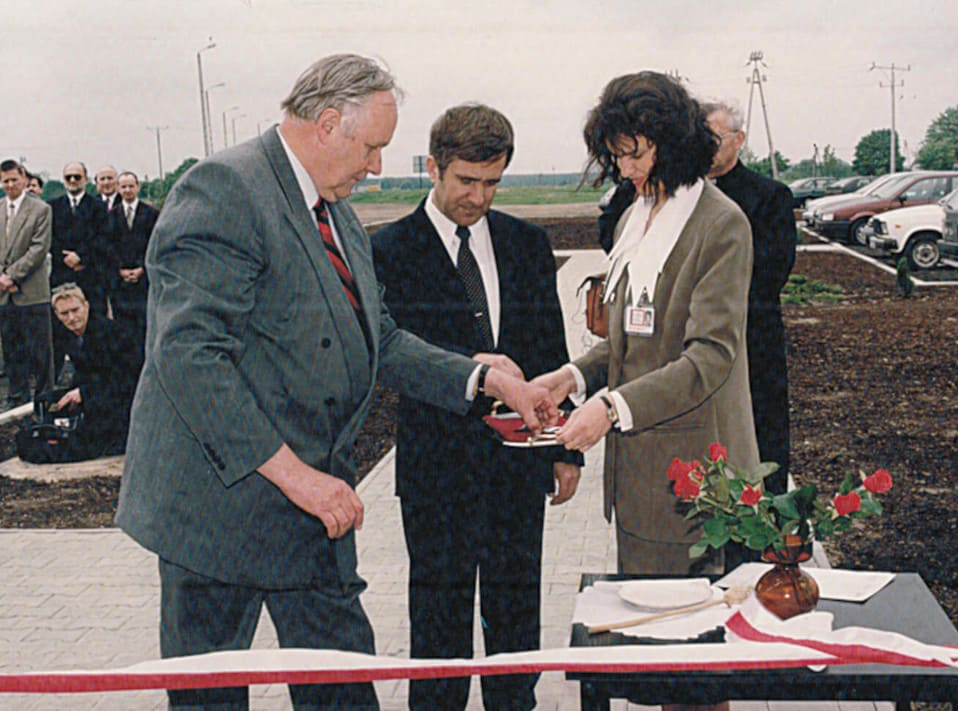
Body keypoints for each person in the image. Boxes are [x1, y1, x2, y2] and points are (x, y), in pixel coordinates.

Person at [115, 54, 556, 711]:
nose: (378, 165)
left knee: (345, 688)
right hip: (219, 510)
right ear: (328, 124)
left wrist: (480, 377)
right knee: (210, 699)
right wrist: (297, 475)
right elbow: (190, 356)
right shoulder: (224, 190)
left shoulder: (338, 211)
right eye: (374, 146)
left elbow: (382, 339)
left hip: (314, 508)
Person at [371, 103, 581, 711]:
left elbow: (553, 352)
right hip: (437, 469)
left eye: (492, 182)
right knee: (439, 620)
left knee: (516, 612)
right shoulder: (389, 251)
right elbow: (394, 356)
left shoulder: (526, 243)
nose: (479, 197)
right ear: (433, 168)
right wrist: (478, 371)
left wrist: (564, 450)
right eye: (466, 181)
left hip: (518, 466)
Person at [534, 71, 758, 574]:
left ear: (673, 144)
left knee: (678, 635)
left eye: (635, 153)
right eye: (616, 155)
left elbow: (710, 358)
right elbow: (633, 339)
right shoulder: (636, 216)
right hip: (640, 474)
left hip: (695, 478)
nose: (624, 167)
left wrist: (611, 408)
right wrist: (570, 377)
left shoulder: (721, 226)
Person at [702, 99, 796, 497]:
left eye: (715, 138)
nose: (706, 147)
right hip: (698, 340)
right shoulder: (682, 194)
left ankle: (769, 526)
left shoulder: (770, 196)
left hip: (753, 338)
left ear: (739, 140)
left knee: (762, 433)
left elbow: (771, 272)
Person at [0, 159, 54, 405]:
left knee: (40, 350)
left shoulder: (41, 209)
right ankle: (16, 394)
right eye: (5, 181)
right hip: (2, 293)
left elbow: (38, 248)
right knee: (11, 348)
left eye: (14, 179)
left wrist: (12, 275)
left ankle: (44, 397)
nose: (10, 184)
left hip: (32, 291)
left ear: (23, 178)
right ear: (0, 182)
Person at [49, 283, 142, 458]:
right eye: (64, 313)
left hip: (127, 400)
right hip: (102, 396)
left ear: (86, 306)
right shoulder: (68, 335)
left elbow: (124, 378)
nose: (71, 318)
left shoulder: (111, 333)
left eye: (75, 310)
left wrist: (84, 392)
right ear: (57, 315)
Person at [49, 161, 112, 372]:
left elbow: (103, 238)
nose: (73, 181)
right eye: (69, 177)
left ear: (85, 179)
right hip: (62, 275)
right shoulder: (53, 207)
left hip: (91, 276)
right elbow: (49, 239)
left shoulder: (98, 207)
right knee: (62, 327)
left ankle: (96, 371)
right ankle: (58, 376)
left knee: (94, 324)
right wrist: (65, 257)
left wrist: (81, 257)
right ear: (63, 180)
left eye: (77, 176)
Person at [109, 171, 158, 353]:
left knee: (145, 325)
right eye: (123, 186)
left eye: (131, 186)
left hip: (143, 280)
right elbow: (109, 246)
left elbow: (153, 244)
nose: (127, 190)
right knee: (123, 327)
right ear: (118, 189)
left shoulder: (151, 213)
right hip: (120, 283)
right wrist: (120, 270)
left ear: (138, 187)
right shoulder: (112, 216)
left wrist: (142, 269)